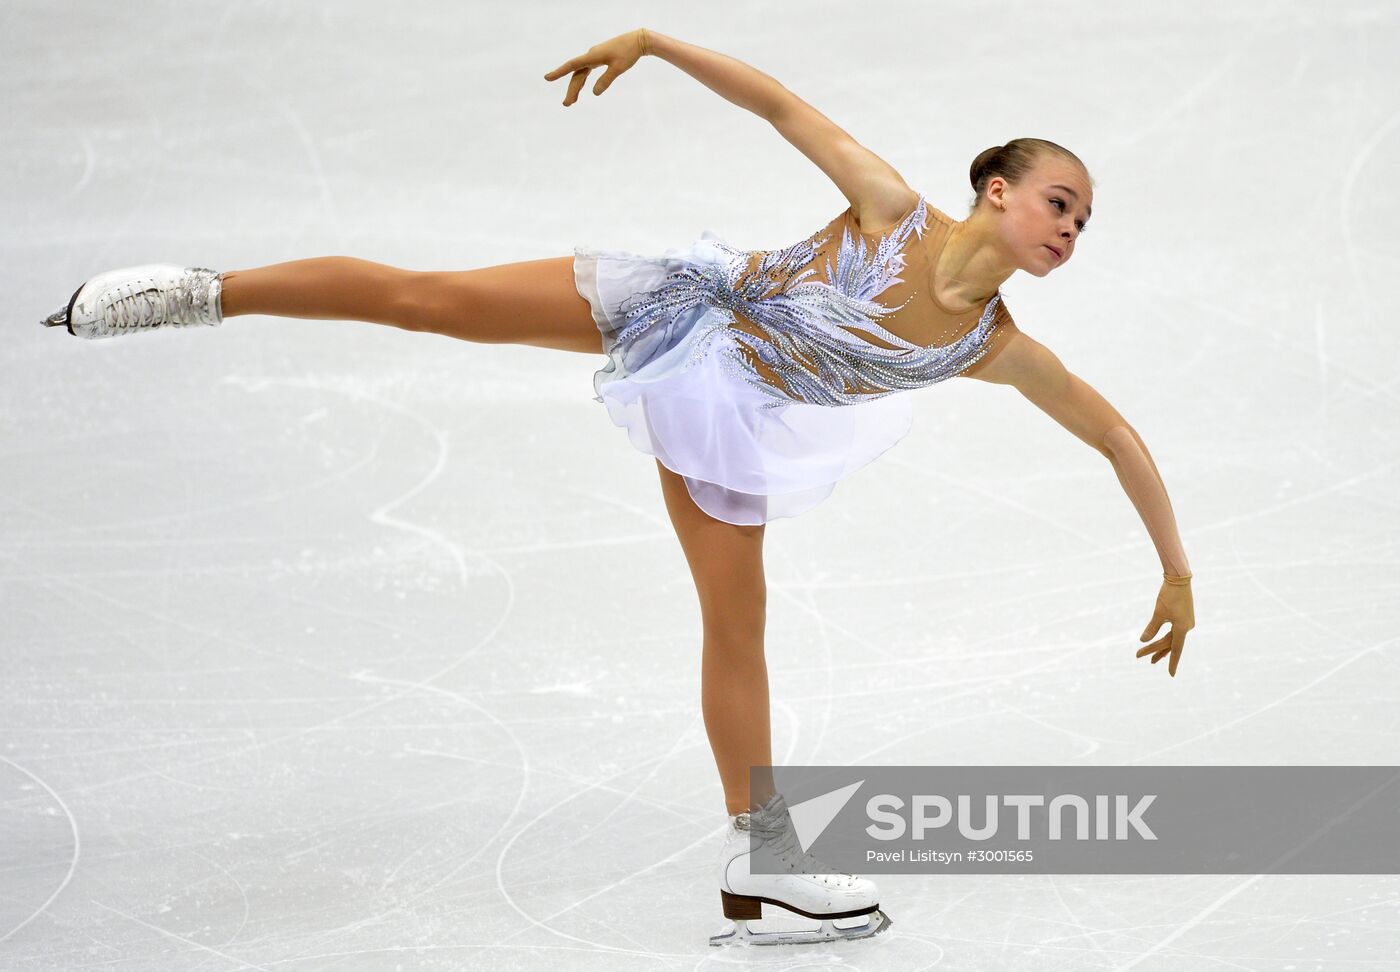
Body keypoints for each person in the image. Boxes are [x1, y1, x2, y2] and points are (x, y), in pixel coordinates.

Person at [40, 27, 1196, 948]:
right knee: (429, 300)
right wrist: (653, 41)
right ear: (994, 189)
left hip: (725, 415)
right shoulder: (889, 210)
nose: (1070, 229)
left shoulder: (986, 345)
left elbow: (1115, 433)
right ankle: (195, 293)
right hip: (679, 306)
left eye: (1082, 223)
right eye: (1059, 202)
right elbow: (781, 105)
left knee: (735, 619)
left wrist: (1175, 568)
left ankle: (761, 849)